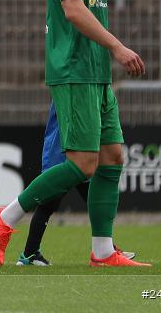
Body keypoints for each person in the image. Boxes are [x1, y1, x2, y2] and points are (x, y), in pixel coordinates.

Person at [0, 0, 149, 268]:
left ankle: (103, 250)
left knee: (112, 157)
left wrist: (108, 55)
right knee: (81, 164)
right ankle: (4, 218)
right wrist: (118, 46)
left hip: (96, 72)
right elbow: (73, 10)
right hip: (74, 69)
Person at [16, 102, 137, 266]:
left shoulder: (74, 90)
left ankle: (106, 250)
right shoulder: (71, 91)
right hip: (64, 157)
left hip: (76, 155)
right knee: (49, 205)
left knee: (93, 199)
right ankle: (29, 254)